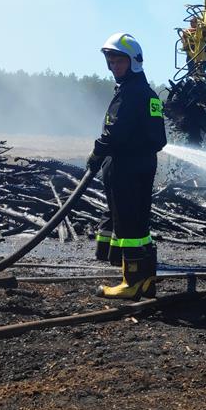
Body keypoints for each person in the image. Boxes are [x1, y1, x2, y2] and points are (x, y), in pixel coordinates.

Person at [86, 33, 167, 300]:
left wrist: (97, 154)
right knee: (140, 225)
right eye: (110, 61)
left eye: (119, 61)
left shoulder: (130, 94)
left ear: (133, 62)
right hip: (143, 165)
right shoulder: (149, 94)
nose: (113, 67)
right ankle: (146, 280)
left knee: (128, 229)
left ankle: (130, 283)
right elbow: (159, 137)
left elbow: (114, 133)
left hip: (125, 167)